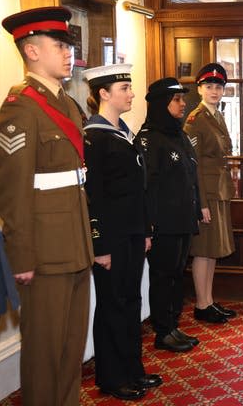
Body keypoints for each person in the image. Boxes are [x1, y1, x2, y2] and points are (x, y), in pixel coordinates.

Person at [0, 6, 94, 405]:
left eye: (68, 46)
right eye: (60, 46)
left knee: (70, 350)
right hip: (43, 252)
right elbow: (13, 190)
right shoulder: (21, 107)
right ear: (32, 51)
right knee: (43, 354)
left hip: (75, 245)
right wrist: (21, 256)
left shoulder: (67, 105)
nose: (68, 53)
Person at [82, 64, 162, 400]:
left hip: (131, 233)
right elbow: (92, 195)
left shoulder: (124, 132)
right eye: (125, 89)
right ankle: (112, 378)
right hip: (110, 238)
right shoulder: (94, 136)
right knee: (112, 306)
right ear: (104, 93)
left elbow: (138, 189)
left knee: (131, 302)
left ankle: (133, 370)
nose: (131, 94)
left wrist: (144, 230)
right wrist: (98, 244)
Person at [135, 77, 201, 352]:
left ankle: (173, 325)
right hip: (164, 222)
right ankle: (163, 331)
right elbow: (147, 186)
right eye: (177, 100)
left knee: (176, 275)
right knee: (162, 276)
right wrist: (148, 226)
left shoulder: (179, 134)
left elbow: (190, 177)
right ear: (162, 103)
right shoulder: (149, 139)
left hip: (183, 219)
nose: (183, 104)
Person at [183, 63, 236, 324]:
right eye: (209, 86)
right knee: (203, 250)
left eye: (218, 87)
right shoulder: (196, 119)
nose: (214, 91)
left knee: (213, 249)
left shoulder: (216, 115)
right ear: (199, 89)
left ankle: (209, 300)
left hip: (219, 191)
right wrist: (200, 203)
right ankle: (201, 304)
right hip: (207, 193)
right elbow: (193, 166)